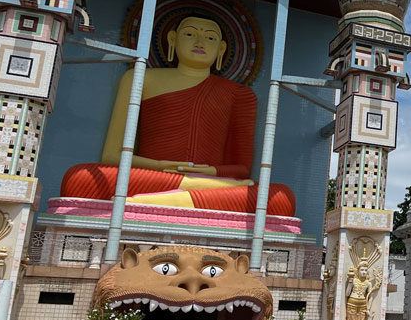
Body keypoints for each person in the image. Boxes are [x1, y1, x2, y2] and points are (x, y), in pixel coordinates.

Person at [60, 16, 295, 215]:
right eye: (190, 34)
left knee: (280, 197)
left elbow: (242, 170)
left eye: (210, 38)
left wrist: (212, 173)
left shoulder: (239, 94)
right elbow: (111, 156)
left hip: (216, 182)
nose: (201, 42)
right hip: (151, 179)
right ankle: (192, 190)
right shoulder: (140, 78)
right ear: (173, 39)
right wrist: (162, 167)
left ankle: (171, 200)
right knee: (79, 178)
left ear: (221, 48)